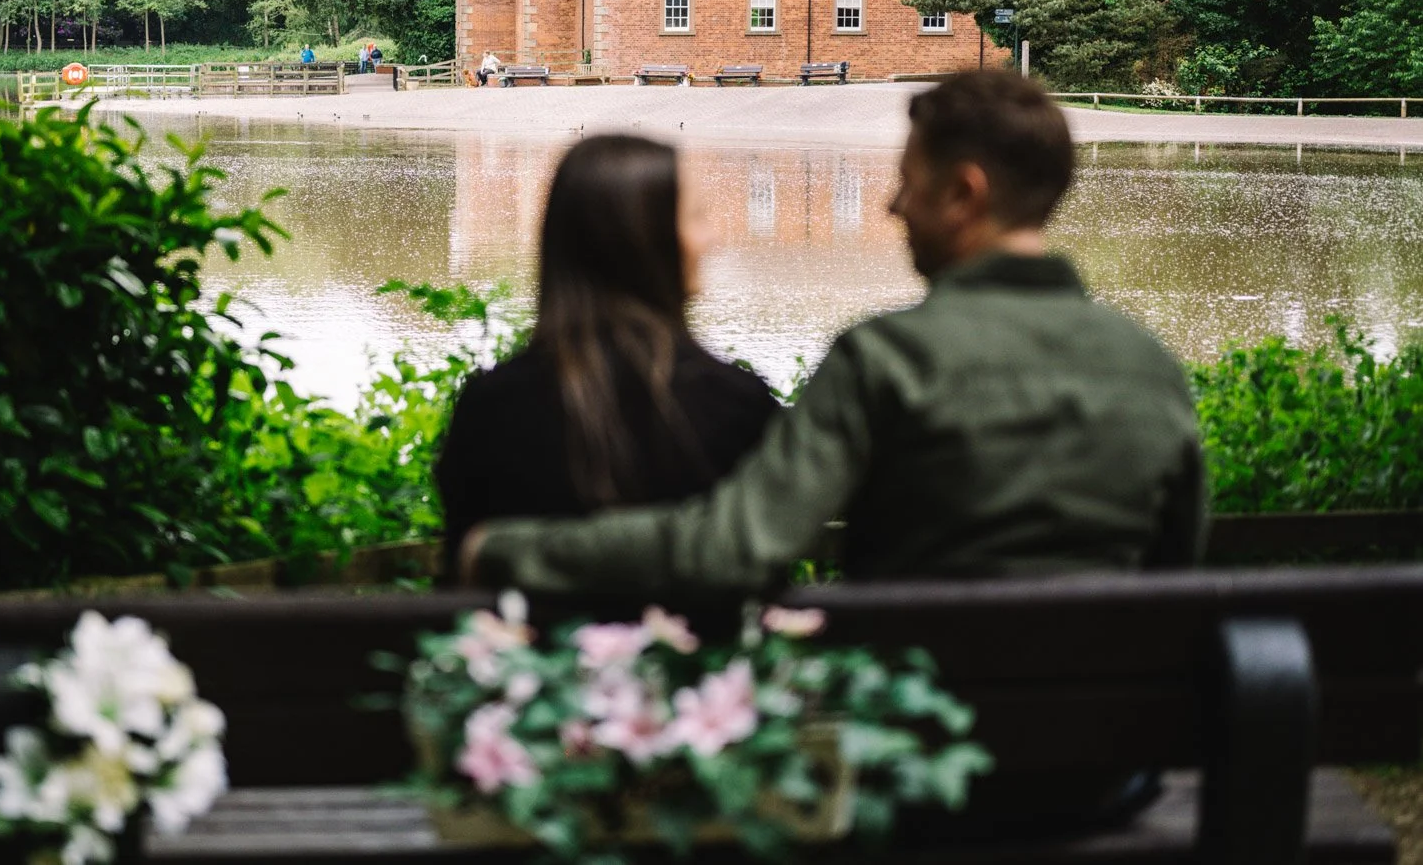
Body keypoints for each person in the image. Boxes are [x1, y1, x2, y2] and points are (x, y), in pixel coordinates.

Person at [463, 69, 1205, 591]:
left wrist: (508, 548)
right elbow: (1175, 570)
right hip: (1113, 741)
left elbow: (735, 545)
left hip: (919, 741)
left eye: (907, 182)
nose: (892, 207)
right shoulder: (1150, 366)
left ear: (962, 194)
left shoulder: (889, 359)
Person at [436, 135, 780, 573]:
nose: (712, 239)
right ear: (645, 239)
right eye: (697, 216)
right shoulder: (736, 404)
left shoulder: (491, 408)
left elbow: (464, 572)